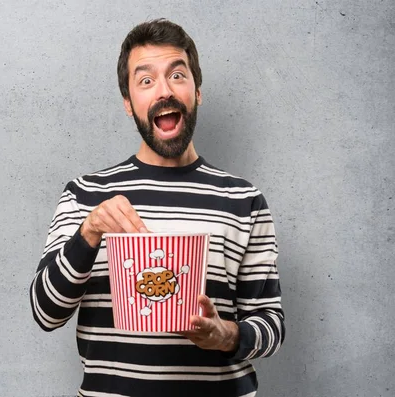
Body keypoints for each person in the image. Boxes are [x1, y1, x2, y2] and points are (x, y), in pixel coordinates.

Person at [29, 18, 285, 397]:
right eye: (145, 80)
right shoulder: (85, 194)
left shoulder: (243, 199)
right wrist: (90, 231)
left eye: (177, 75)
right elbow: (45, 312)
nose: (164, 90)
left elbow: (271, 326)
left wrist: (226, 335)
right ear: (129, 104)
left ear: (197, 92)